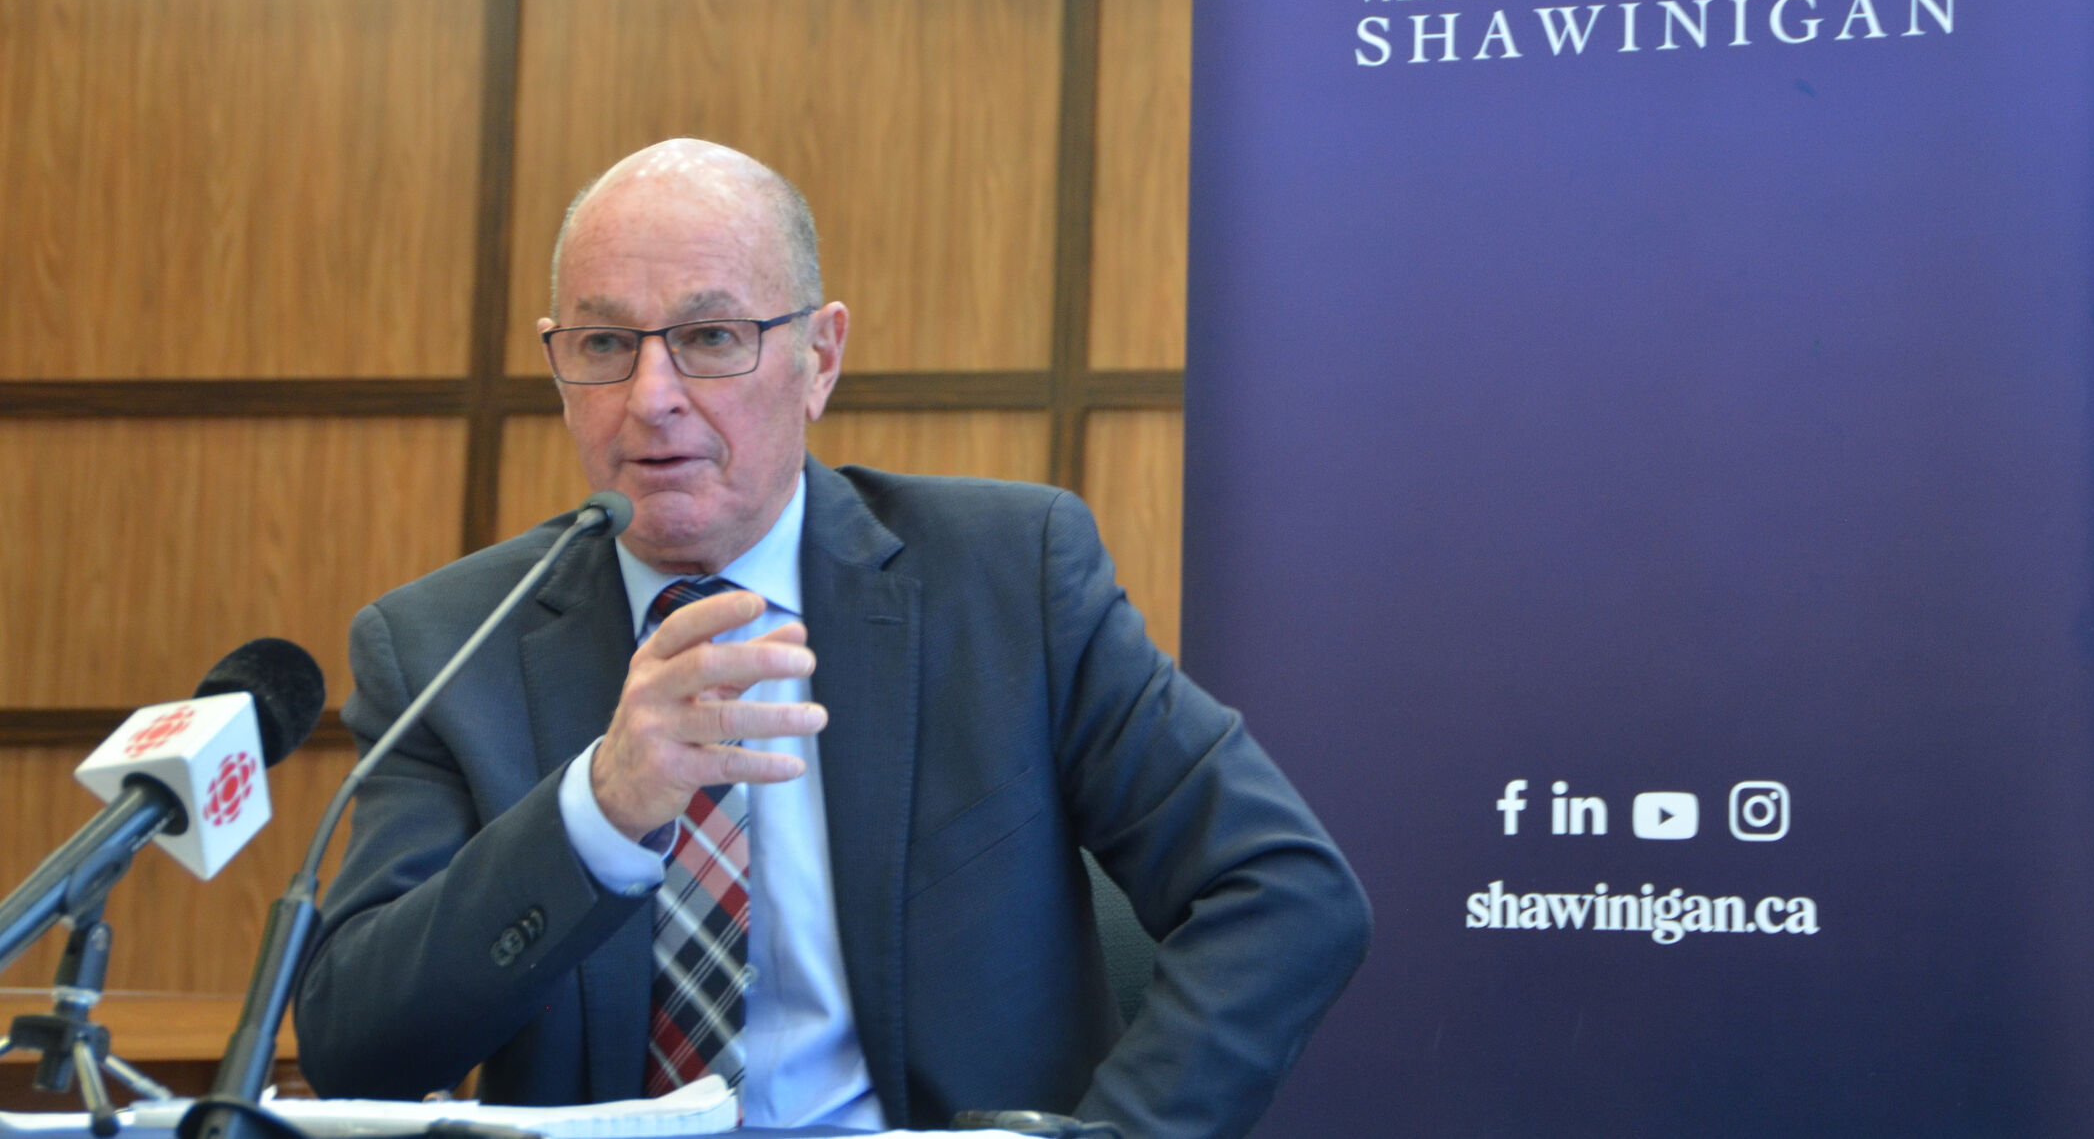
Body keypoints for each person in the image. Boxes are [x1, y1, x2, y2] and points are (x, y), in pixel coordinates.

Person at [293, 139, 1370, 1138]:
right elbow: (357, 1049)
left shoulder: (1008, 581)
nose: (652, 397)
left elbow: (1283, 890)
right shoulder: (446, 646)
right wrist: (598, 813)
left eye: (712, 338)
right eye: (606, 344)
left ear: (819, 358)